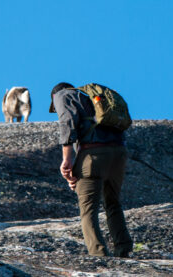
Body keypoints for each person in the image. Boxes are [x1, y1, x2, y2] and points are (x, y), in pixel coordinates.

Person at [49, 82, 133, 257]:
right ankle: (123, 248)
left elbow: (67, 123)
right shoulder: (91, 97)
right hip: (119, 152)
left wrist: (67, 159)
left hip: (94, 154)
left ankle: (99, 255)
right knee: (113, 202)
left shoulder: (63, 95)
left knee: (88, 209)